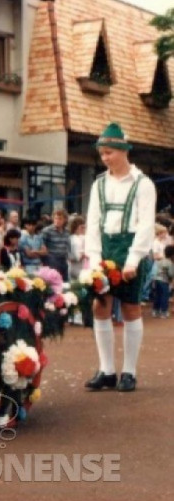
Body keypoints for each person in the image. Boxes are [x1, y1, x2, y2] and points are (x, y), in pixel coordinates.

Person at [84, 123, 156, 393]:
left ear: (124, 151)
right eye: (102, 153)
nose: (105, 158)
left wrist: (133, 261)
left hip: (129, 249)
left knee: (130, 308)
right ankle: (107, 370)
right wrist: (93, 260)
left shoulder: (143, 184)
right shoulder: (98, 184)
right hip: (104, 250)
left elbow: (146, 225)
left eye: (109, 152)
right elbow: (93, 224)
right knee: (99, 307)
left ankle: (129, 372)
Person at [41, 208, 70, 281]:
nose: (57, 221)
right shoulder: (47, 231)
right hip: (52, 259)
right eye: (55, 218)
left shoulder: (67, 231)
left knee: (65, 282)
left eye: (60, 219)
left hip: (63, 259)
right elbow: (42, 246)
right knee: (54, 282)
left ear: (65, 220)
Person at [152, 245, 173, 318]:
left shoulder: (160, 261)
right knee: (164, 296)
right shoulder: (170, 263)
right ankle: (163, 312)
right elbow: (171, 273)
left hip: (156, 279)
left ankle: (155, 310)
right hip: (164, 281)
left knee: (157, 295)